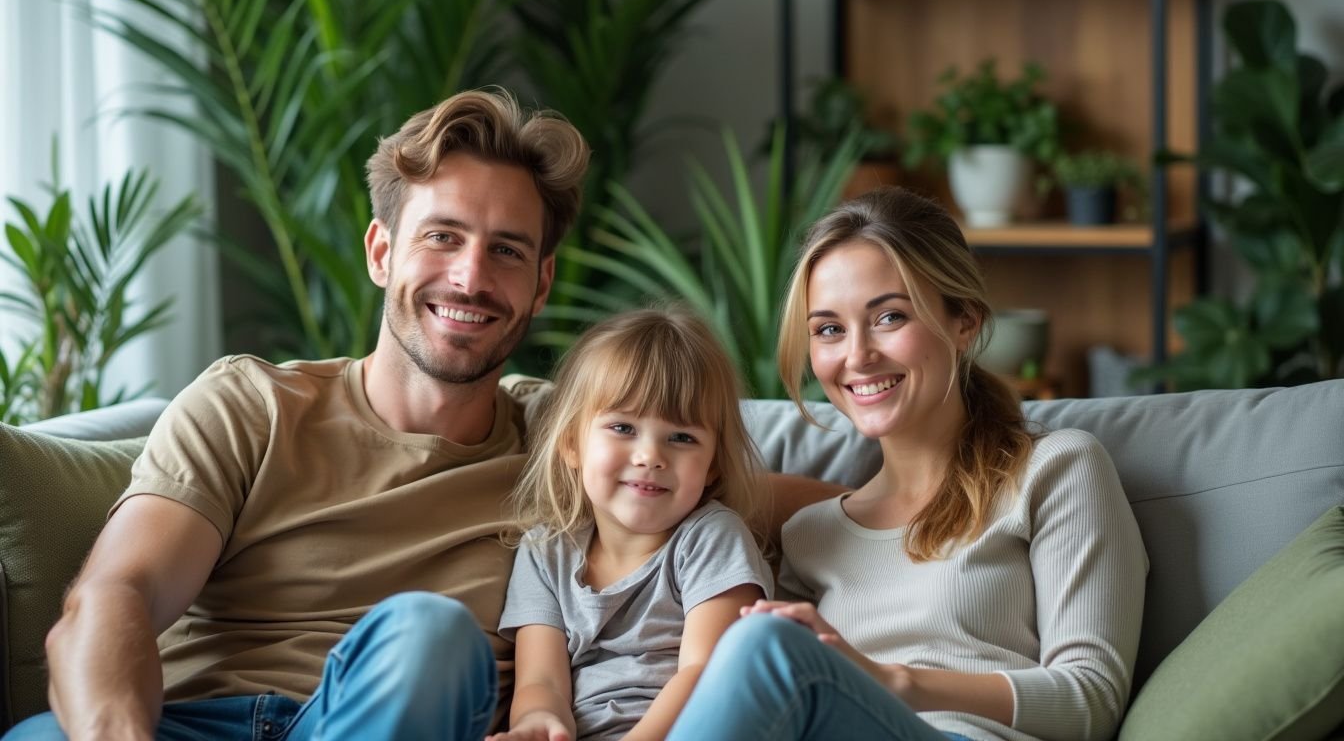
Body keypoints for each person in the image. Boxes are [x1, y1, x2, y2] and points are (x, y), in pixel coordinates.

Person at [7, 88, 591, 741]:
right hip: (195, 724)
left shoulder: (570, 443)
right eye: (442, 236)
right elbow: (115, 598)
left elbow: (703, 475)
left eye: (507, 250)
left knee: (431, 633)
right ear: (381, 252)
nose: (469, 275)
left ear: (541, 284)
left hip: (404, 716)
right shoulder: (250, 407)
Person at [666, 186, 1148, 741]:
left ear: (964, 320)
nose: (857, 355)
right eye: (828, 329)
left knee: (763, 645)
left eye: (889, 317)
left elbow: (1091, 699)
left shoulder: (1056, 470)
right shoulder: (811, 535)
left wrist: (892, 682)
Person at [487, 308, 773, 741]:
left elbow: (709, 676)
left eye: (681, 437)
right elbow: (540, 683)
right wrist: (538, 724)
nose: (650, 456)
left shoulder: (710, 538)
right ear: (571, 444)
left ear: (713, 465)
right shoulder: (545, 553)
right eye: (623, 427)